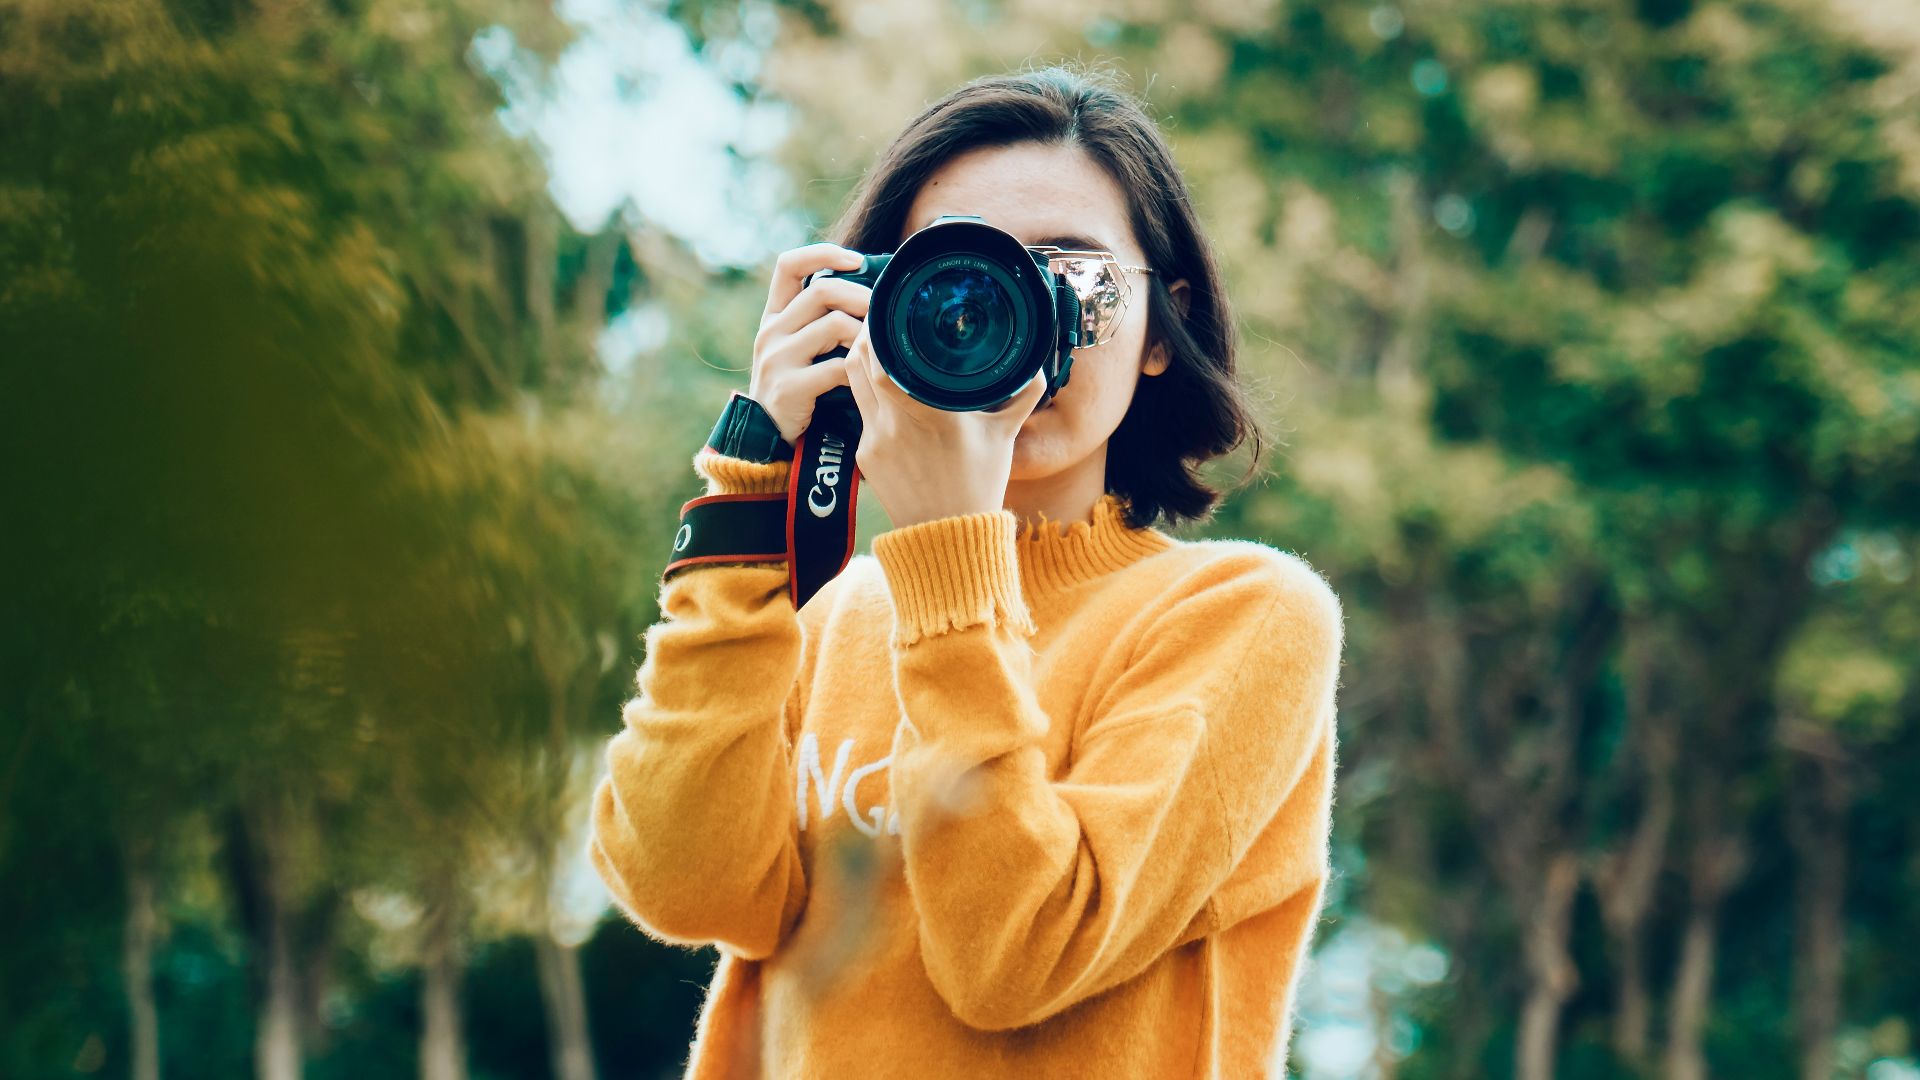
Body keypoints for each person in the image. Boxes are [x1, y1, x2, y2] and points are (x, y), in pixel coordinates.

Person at [587, 63, 1345, 1079]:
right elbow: (682, 889)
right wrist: (749, 485)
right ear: (869, 308)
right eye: (955, 283)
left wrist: (951, 556)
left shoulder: (1245, 618)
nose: (1011, 323)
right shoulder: (828, 611)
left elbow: (1014, 959)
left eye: (1068, 277)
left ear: (1162, 327)